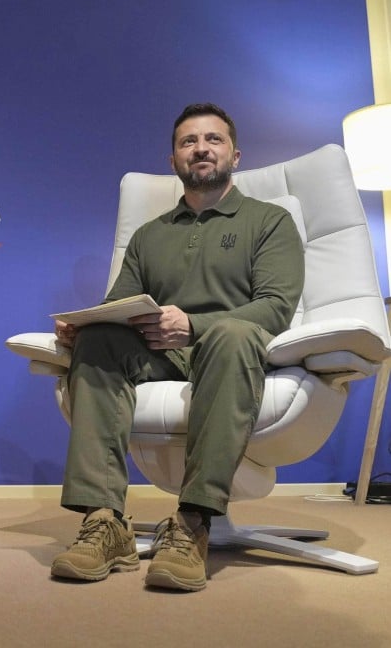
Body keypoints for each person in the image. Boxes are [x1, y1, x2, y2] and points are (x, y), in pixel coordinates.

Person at [49, 103, 304, 592]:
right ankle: (104, 522)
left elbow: (275, 307)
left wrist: (195, 325)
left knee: (230, 335)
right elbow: (118, 305)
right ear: (174, 161)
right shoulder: (149, 236)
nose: (201, 149)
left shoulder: (269, 222)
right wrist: (83, 327)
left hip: (232, 354)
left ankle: (192, 524)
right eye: (188, 142)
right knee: (101, 338)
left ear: (234, 154)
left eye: (213, 139)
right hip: (161, 356)